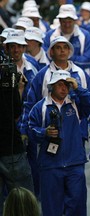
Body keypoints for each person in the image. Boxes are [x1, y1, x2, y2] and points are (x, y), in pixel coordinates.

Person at [20, 35, 90, 199]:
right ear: (51, 51)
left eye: (65, 47)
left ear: (70, 51)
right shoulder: (42, 75)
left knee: (74, 195)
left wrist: (84, 131)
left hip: (76, 135)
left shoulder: (79, 74)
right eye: (58, 47)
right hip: (49, 138)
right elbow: (31, 103)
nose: (62, 51)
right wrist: (30, 130)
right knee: (52, 191)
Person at [28, 70, 90, 216]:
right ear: (51, 86)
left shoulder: (75, 104)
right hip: (50, 165)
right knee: (51, 208)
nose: (64, 88)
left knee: (77, 206)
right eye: (60, 84)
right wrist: (43, 132)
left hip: (74, 164)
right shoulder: (41, 107)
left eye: (67, 85)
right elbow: (30, 131)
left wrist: (78, 89)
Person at [0, 65, 34, 215]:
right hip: (10, 149)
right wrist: (18, 89)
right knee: (24, 201)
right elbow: (16, 113)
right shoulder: (7, 78)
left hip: (10, 149)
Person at [43, 4, 90, 78]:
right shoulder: (49, 35)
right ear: (59, 20)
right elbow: (45, 58)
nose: (67, 25)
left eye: (69, 22)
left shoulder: (85, 35)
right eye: (64, 22)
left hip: (79, 76)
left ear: (75, 21)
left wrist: (64, 57)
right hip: (55, 77)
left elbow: (88, 60)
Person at [3, 29, 38, 102]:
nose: (16, 50)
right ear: (7, 49)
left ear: (24, 48)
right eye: (12, 46)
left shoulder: (33, 66)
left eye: (19, 46)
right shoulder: (2, 69)